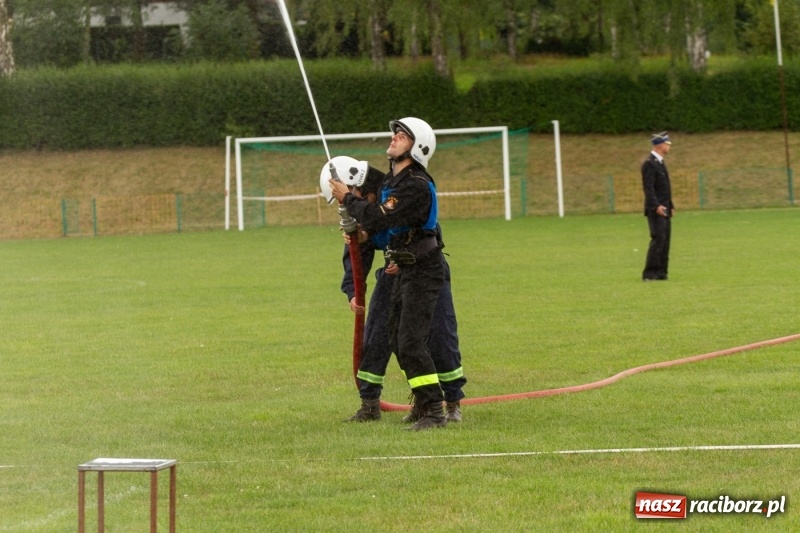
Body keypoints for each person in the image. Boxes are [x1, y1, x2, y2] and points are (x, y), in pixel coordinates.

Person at [328, 117, 448, 431]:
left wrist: (348, 199)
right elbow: (385, 227)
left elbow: (380, 217)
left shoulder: (414, 184)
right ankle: (424, 405)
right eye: (395, 133)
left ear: (418, 147)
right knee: (397, 339)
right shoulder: (393, 184)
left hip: (424, 270)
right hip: (406, 269)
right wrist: (365, 237)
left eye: (402, 135)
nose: (394, 137)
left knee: (410, 341)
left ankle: (436, 410)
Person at [336, 165, 466, 425]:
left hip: (425, 271)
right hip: (392, 275)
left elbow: (426, 233)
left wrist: (404, 257)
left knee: (439, 335)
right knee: (377, 337)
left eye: (354, 196)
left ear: (365, 188)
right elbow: (356, 258)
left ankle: (451, 402)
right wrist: (354, 292)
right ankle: (370, 404)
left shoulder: (400, 194)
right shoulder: (364, 213)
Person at [641, 131, 674, 281]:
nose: (669, 147)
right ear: (660, 145)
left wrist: (670, 205)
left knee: (665, 239)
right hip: (657, 209)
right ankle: (650, 273)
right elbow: (649, 188)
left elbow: (665, 187)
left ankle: (661, 271)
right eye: (668, 144)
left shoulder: (660, 162)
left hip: (665, 207)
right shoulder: (649, 163)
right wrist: (656, 206)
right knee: (658, 239)